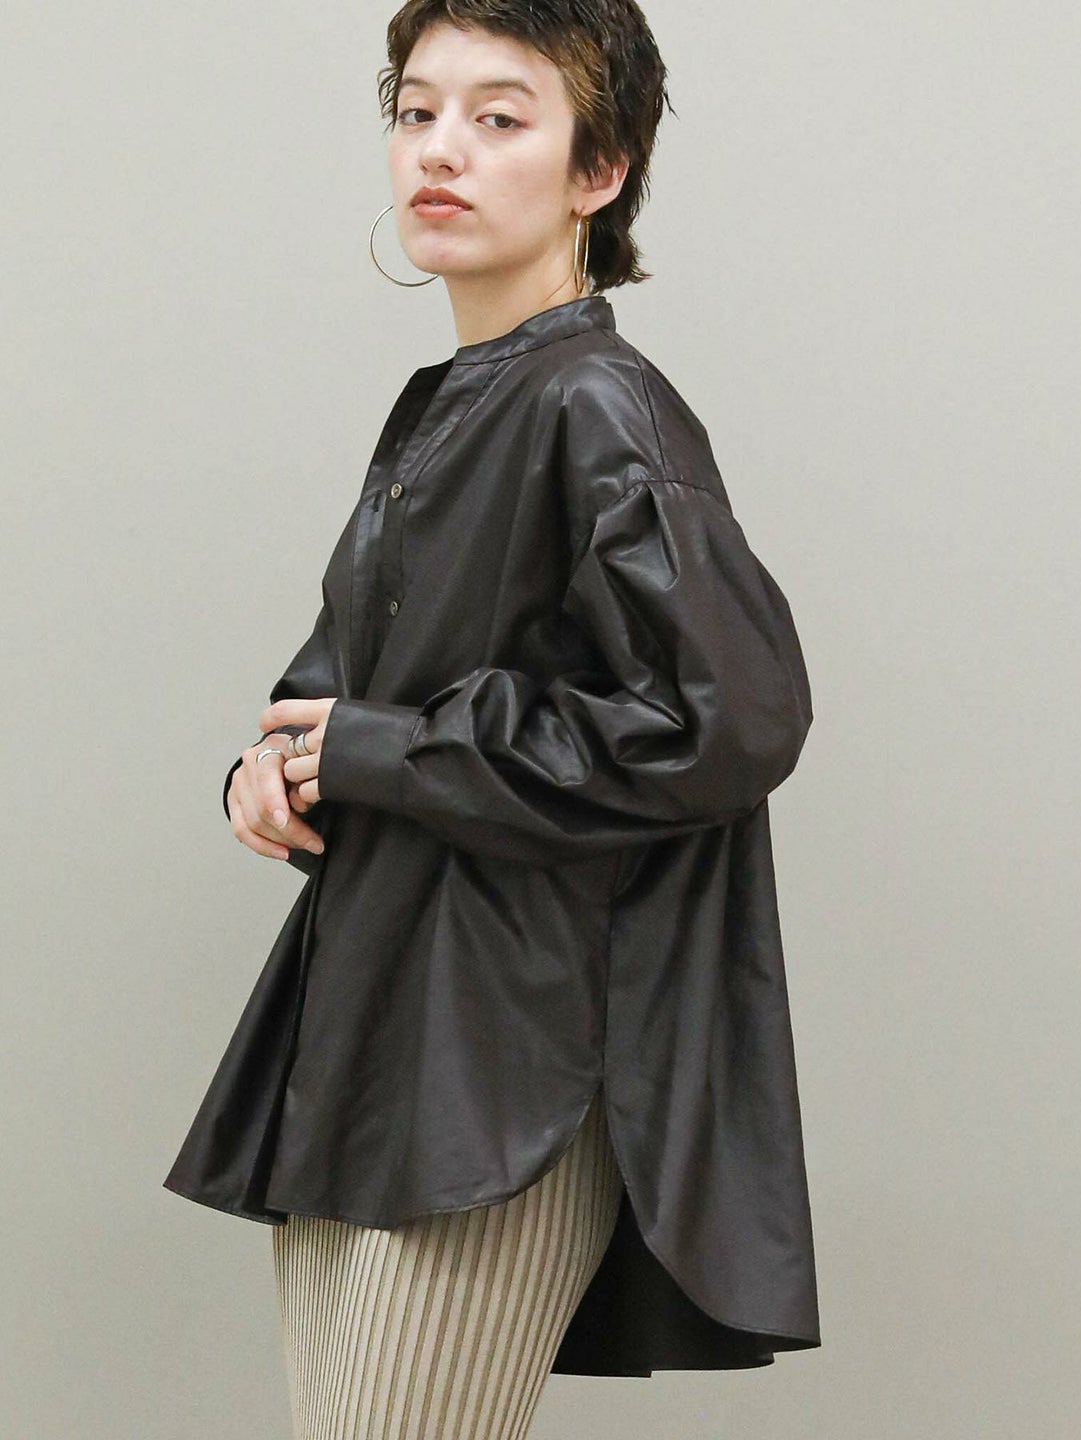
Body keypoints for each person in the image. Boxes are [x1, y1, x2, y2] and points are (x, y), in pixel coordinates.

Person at [163, 3, 821, 1436]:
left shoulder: (599, 404)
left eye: (500, 116)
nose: (439, 149)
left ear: (601, 169)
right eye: (416, 110)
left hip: (506, 1060)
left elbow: (727, 719)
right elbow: (349, 685)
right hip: (372, 1033)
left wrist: (381, 749)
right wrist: (273, 768)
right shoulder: (451, 405)